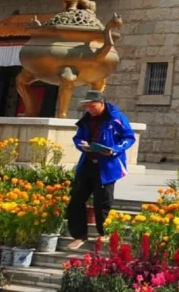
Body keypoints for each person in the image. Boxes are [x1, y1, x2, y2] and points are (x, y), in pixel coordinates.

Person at [66, 91, 135, 250]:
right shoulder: (86, 119)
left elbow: (129, 137)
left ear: (101, 103)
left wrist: (114, 149)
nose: (89, 109)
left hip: (107, 166)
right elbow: (78, 137)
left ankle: (103, 233)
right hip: (88, 163)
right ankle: (79, 235)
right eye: (87, 106)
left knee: (102, 201)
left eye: (92, 106)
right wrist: (81, 144)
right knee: (76, 199)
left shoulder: (116, 118)